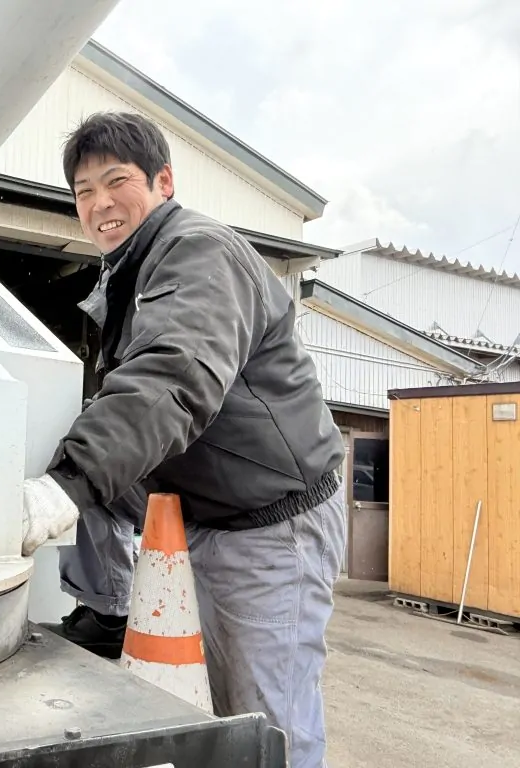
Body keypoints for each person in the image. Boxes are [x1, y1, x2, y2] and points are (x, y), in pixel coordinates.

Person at [19, 111, 347, 768]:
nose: (100, 203)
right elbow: (124, 415)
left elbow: (174, 373)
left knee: (264, 717)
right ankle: (107, 608)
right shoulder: (128, 274)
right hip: (204, 510)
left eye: (117, 181)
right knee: (221, 711)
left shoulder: (198, 250)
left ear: (163, 181)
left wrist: (66, 485)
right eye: (84, 191)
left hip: (272, 522)